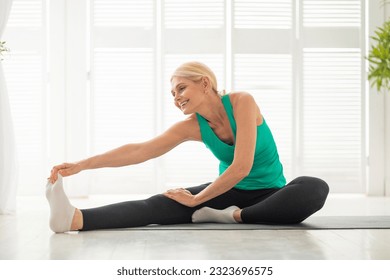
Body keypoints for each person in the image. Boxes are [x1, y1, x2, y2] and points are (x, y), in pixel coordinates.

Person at [46, 61, 329, 233]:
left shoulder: (242, 102)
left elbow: (242, 166)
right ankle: (75, 219)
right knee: (160, 203)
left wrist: (197, 200)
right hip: (227, 191)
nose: (176, 97)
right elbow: (140, 150)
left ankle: (232, 217)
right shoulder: (193, 126)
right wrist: (82, 165)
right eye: (172, 93)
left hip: (271, 195)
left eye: (181, 88)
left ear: (205, 83)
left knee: (313, 187)